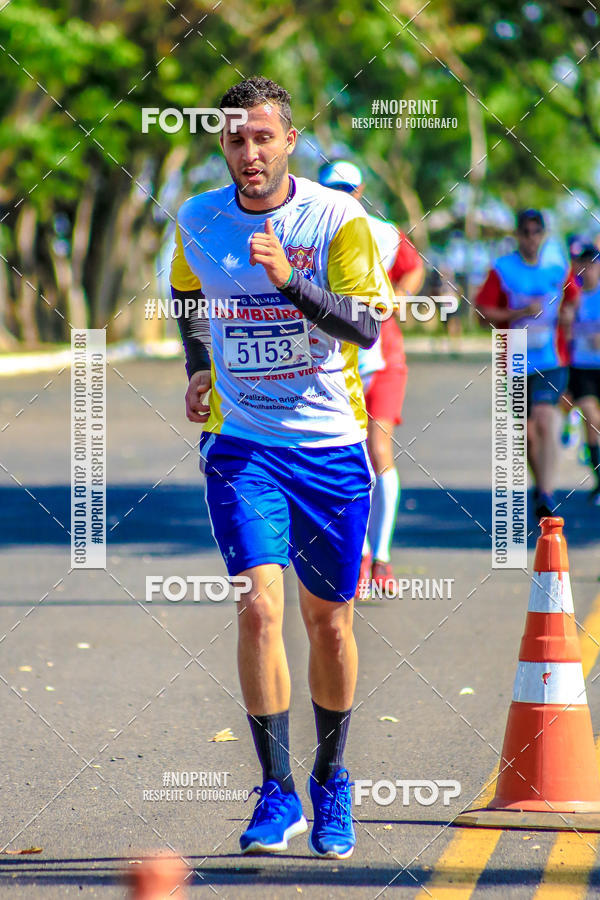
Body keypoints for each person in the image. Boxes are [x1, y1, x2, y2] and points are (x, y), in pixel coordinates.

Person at [170, 77, 395, 858]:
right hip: (243, 445)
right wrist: (199, 365)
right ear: (222, 143)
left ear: (290, 140)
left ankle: (331, 780)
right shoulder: (199, 218)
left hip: (329, 445)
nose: (250, 151)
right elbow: (186, 293)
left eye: (263, 136)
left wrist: (289, 283)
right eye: (236, 138)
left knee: (328, 623)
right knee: (258, 610)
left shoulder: (336, 219)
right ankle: (276, 790)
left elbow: (365, 327)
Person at [318, 161, 424, 591]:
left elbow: (414, 267)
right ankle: (359, 554)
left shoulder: (383, 232)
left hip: (384, 360)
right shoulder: (312, 232)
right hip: (335, 364)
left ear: (360, 191)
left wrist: (400, 295)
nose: (341, 195)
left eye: (347, 189)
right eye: (333, 188)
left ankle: (381, 558)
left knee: (379, 450)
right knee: (351, 458)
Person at [476, 209, 578, 519]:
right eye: (525, 232)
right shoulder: (503, 270)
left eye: (536, 232)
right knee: (528, 432)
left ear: (543, 235)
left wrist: (568, 316)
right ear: (517, 235)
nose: (531, 238)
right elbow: (481, 314)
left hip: (551, 358)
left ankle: (547, 493)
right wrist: (517, 314)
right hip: (516, 359)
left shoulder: (557, 268)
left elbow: (574, 298)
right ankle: (540, 486)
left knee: (545, 419)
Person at [568, 244, 600, 503]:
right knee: (591, 418)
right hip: (581, 367)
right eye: (583, 264)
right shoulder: (572, 296)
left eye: (592, 264)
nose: (587, 269)